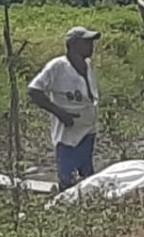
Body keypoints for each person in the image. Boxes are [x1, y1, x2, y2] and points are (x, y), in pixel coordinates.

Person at [28, 27, 101, 191]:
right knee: (67, 179)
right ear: (73, 44)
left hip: (87, 128)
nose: (91, 46)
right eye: (86, 42)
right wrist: (60, 113)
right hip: (68, 131)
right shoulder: (58, 67)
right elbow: (34, 90)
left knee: (86, 175)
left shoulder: (87, 64)